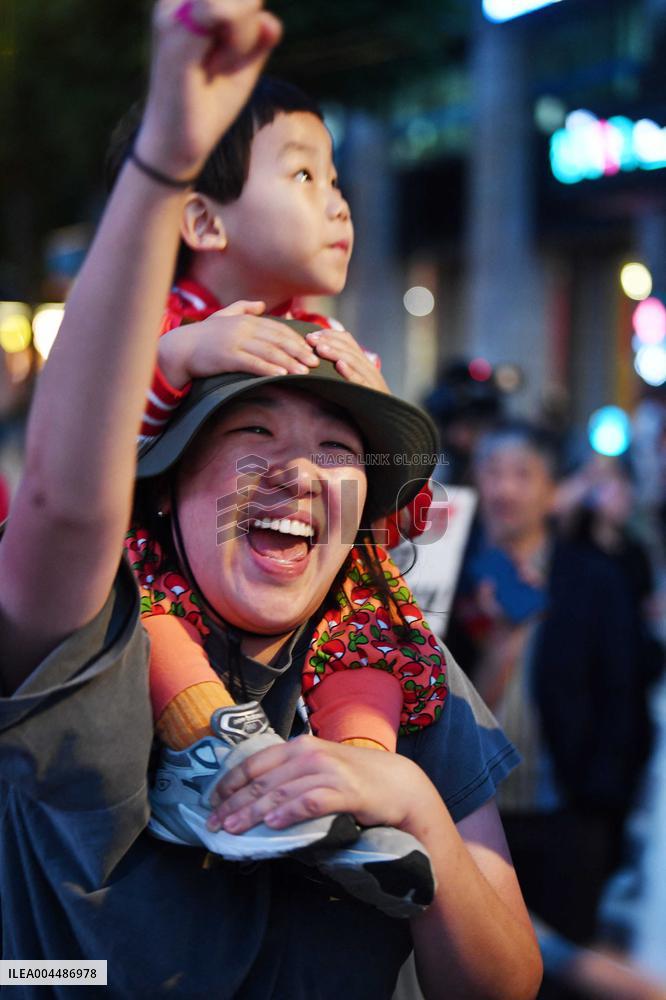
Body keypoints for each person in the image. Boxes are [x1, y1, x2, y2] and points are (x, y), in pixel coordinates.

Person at [0, 2, 542, 996]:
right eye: (253, 434)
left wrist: (409, 804)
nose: (299, 469)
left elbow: (507, 980)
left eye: (340, 445)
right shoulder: (93, 641)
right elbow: (68, 494)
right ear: (161, 484)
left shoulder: (410, 665)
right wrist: (165, 159)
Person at [106, 71, 444, 881]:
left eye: (336, 181)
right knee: (132, 597)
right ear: (203, 218)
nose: (338, 205)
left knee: (373, 624)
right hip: (159, 582)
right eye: (303, 175)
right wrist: (180, 357)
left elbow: (400, 518)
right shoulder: (158, 320)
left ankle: (353, 789)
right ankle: (211, 756)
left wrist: (382, 426)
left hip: (315, 614)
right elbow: (98, 453)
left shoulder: (336, 344)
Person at [448, 421, 651, 994]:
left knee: (563, 974)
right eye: (492, 472)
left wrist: (601, 810)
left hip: (567, 815)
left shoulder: (595, 579)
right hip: (472, 820)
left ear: (549, 489)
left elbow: (623, 700)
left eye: (521, 474)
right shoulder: (448, 577)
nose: (504, 489)